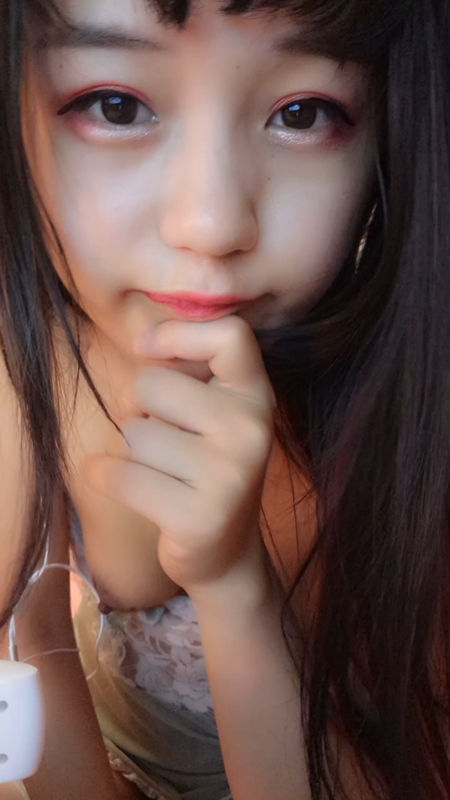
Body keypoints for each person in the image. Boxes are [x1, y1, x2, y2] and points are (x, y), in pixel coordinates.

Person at [0, 0, 448, 798]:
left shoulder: (407, 435)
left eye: (303, 114)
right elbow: (34, 655)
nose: (210, 224)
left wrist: (238, 589)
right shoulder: (34, 348)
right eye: (117, 106)